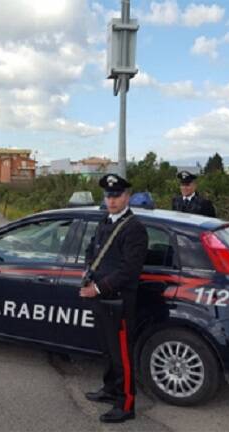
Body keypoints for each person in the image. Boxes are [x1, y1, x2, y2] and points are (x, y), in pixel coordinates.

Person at [79, 173, 148, 423]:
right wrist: (88, 269)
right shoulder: (105, 221)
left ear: (127, 197)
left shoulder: (134, 229)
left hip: (119, 301)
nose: (112, 200)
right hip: (102, 300)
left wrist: (97, 289)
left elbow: (129, 271)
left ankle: (126, 404)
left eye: (117, 195)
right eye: (108, 196)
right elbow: (92, 249)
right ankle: (110, 390)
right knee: (107, 351)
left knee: (122, 357)